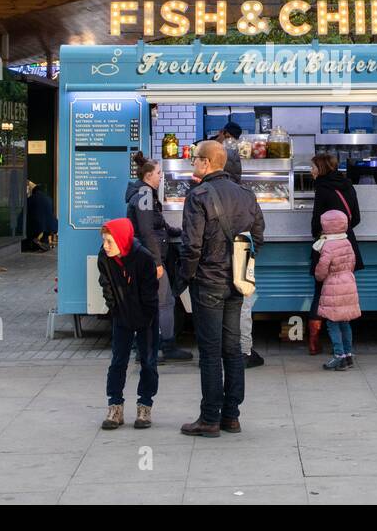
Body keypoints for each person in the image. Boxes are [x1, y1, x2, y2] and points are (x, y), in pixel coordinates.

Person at [179, 140, 264, 437]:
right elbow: (258, 237)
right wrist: (241, 267)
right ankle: (232, 416)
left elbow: (191, 245)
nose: (193, 164)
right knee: (233, 349)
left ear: (206, 162)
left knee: (211, 352)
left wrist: (185, 279)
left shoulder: (198, 195)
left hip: (208, 283)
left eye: (194, 160)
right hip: (237, 283)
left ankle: (209, 418)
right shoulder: (246, 194)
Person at [126, 153, 192, 362]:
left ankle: (146, 347)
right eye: (158, 173)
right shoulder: (145, 194)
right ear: (147, 176)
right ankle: (165, 347)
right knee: (165, 302)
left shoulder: (146, 194)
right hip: (148, 259)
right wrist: (156, 262)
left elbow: (158, 225)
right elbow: (146, 231)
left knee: (154, 302)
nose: (161, 177)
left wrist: (178, 231)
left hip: (145, 257)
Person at [95, 218, 161, 430]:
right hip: (122, 315)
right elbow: (106, 286)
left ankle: (145, 406)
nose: (105, 246)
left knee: (148, 361)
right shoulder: (104, 258)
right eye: (104, 241)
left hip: (145, 316)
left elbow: (150, 295)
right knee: (118, 361)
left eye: (109, 241)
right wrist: (115, 310)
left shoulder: (144, 258)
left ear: (122, 240)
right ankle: (115, 406)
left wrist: (145, 319)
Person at [307, 152, 362, 356]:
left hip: (326, 247)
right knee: (343, 294)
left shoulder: (322, 187)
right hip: (348, 244)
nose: (311, 171)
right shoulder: (348, 184)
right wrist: (342, 231)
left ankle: (314, 342)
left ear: (321, 168)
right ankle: (345, 349)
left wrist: (324, 234)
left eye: (313, 167)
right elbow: (356, 218)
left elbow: (315, 223)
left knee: (320, 293)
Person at [314, 209, 361, 371]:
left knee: (332, 323)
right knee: (345, 322)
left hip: (333, 286)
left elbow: (322, 268)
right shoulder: (347, 241)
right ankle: (348, 355)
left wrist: (319, 276)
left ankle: (338, 356)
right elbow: (353, 261)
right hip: (348, 283)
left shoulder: (328, 245)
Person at [23, 181, 58, 252]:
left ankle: (34, 243)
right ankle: (43, 243)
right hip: (52, 226)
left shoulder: (30, 199)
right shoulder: (49, 199)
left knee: (32, 225)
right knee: (44, 231)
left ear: (33, 191)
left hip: (38, 226)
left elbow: (25, 213)